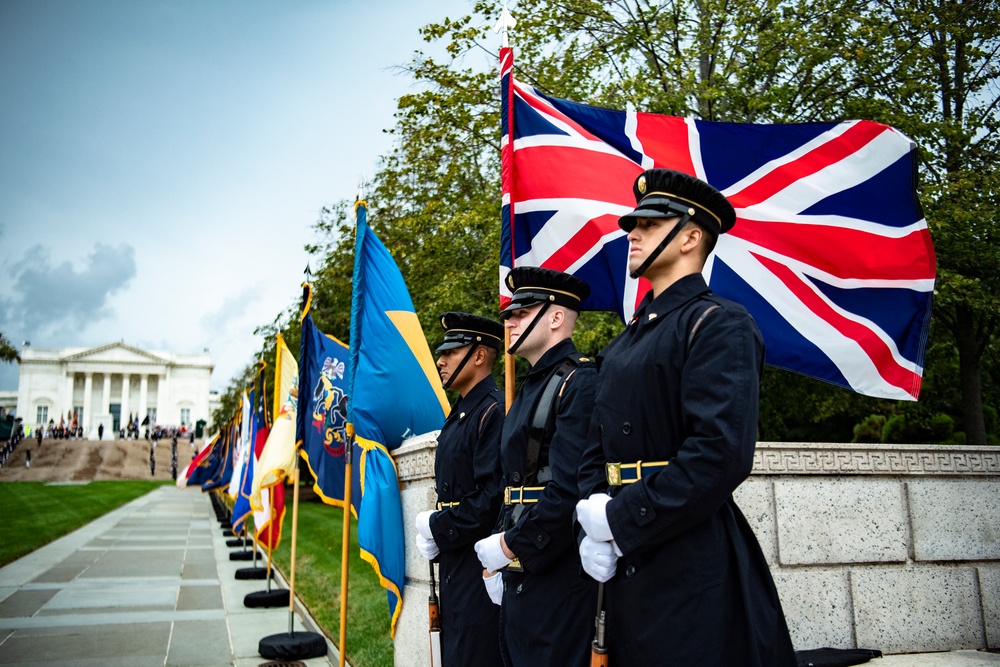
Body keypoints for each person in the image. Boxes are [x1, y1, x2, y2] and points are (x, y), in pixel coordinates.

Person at [574, 168, 796, 666]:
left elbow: (719, 454)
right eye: (634, 224)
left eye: (649, 224)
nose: (632, 232)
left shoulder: (718, 323)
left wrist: (621, 519)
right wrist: (590, 524)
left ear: (691, 237)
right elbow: (597, 446)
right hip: (623, 555)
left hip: (687, 558)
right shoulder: (627, 339)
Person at [474, 267, 600, 667]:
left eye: (521, 313)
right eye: (509, 313)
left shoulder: (578, 381)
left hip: (558, 575)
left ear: (557, 317)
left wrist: (511, 547)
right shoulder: (532, 386)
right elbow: (514, 485)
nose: (508, 320)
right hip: (520, 570)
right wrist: (498, 558)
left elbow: (570, 489)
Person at [414, 312, 506, 667]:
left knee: (474, 654)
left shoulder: (492, 411)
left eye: (451, 352)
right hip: (456, 560)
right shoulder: (462, 413)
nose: (441, 360)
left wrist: (438, 526)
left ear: (479, 355)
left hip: (478, 562)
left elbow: (490, 498)